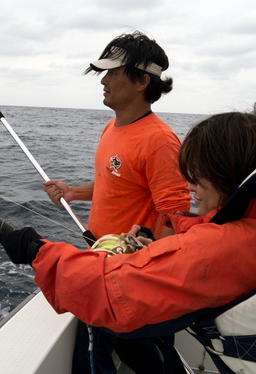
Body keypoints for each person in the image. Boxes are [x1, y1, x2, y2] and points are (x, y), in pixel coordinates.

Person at [0, 98, 256, 373]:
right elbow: (222, 232)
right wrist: (164, 238)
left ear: (224, 171)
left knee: (104, 332)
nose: (188, 184)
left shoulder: (226, 248)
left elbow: (112, 293)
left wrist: (38, 251)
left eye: (197, 173)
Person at [42, 31, 192, 373]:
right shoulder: (113, 127)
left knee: (93, 358)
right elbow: (116, 183)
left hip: (125, 274)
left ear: (141, 81)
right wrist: (73, 192)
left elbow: (176, 214)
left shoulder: (159, 141)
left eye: (112, 73)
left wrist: (148, 267)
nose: (104, 81)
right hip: (102, 258)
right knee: (139, 351)